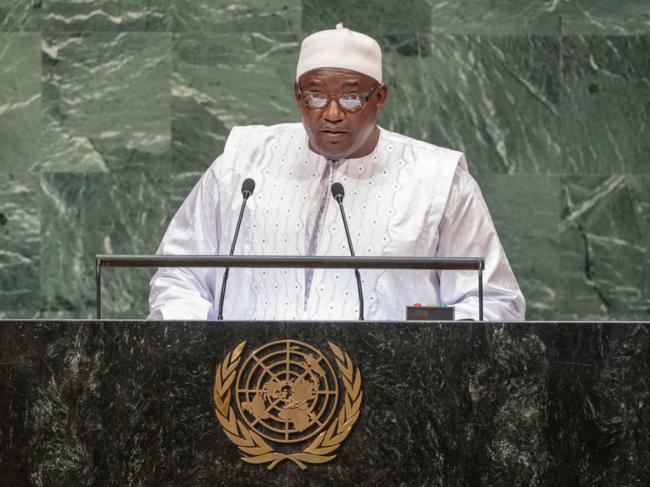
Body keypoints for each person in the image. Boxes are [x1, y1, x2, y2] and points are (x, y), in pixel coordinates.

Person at [147, 24, 525, 321]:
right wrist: (197, 347)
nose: (331, 113)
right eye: (315, 95)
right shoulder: (241, 165)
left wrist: (417, 327)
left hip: (389, 387)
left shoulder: (437, 179)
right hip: (250, 383)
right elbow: (178, 276)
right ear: (297, 94)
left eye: (351, 97)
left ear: (380, 97)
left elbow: (492, 301)